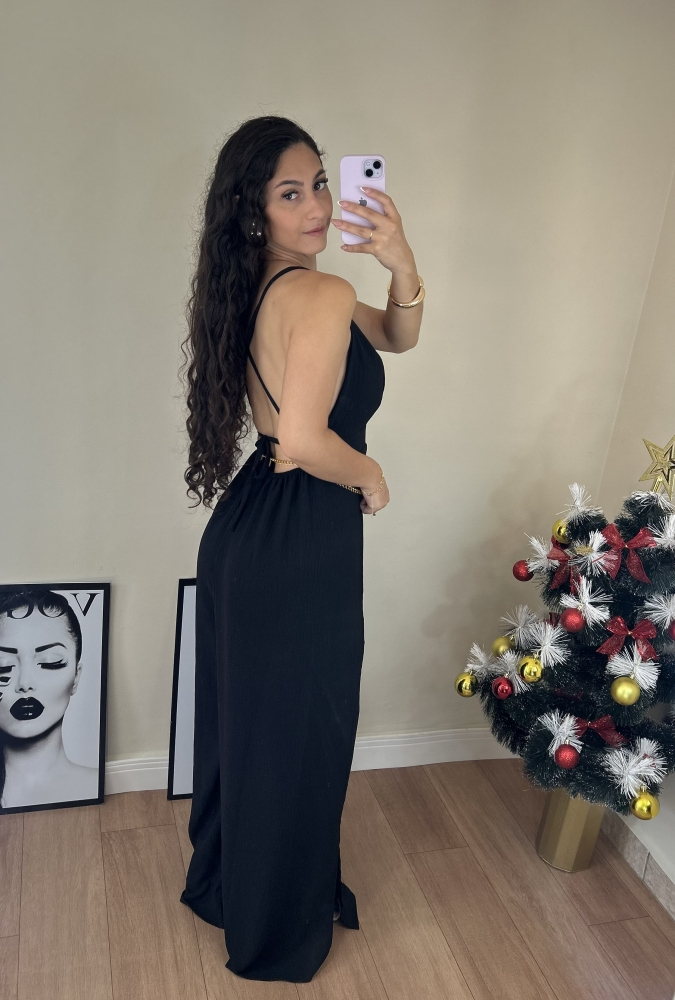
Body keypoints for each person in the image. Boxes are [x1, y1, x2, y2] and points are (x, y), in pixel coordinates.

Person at [178, 115, 424, 983]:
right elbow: (306, 442)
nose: (316, 205)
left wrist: (400, 262)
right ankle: (276, 926)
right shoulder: (314, 294)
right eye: (291, 193)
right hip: (296, 536)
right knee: (298, 737)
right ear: (255, 212)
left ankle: (236, 887)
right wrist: (372, 476)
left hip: (255, 531)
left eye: (320, 183)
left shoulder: (280, 285)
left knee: (255, 733)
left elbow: (395, 334)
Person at [0, 588, 98, 809]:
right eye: (3, 666)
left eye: (50, 662)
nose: (25, 683)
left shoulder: (93, 785)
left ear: (76, 677)